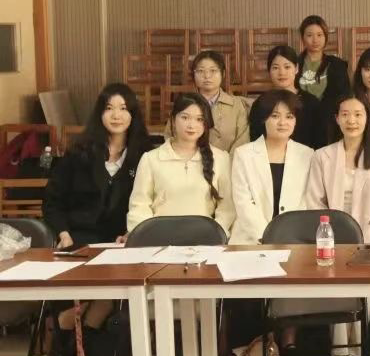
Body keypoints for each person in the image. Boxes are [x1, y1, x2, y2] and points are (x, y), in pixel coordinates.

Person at [43, 83, 149, 356]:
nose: (116, 115)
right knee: (83, 291)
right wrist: (63, 233)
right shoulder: (79, 153)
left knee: (109, 292)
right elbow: (52, 201)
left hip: (120, 239)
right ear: (99, 113)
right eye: (109, 108)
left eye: (123, 109)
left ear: (133, 114)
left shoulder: (144, 154)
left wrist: (134, 232)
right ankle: (63, 343)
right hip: (79, 237)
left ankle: (83, 345)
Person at [306, 91, 370, 356]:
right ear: (336, 119)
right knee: (334, 275)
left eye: (358, 114)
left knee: (363, 279)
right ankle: (340, 347)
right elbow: (314, 201)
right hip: (330, 236)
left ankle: (355, 345)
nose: (351, 120)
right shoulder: (322, 156)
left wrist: (364, 239)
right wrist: (332, 236)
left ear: (368, 118)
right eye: (345, 114)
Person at [127, 93, 235, 234]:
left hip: (205, 238)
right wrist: (146, 235)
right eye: (185, 117)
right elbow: (139, 205)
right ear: (173, 120)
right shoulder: (151, 159)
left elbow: (227, 208)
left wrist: (215, 234)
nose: (191, 125)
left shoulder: (220, 158)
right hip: (159, 237)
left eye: (199, 119)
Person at [230, 89, 314, 246]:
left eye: (289, 116)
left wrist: (286, 234)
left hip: (294, 238)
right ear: (264, 119)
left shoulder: (307, 154)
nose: (282, 122)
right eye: (275, 116)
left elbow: (306, 200)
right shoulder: (243, 154)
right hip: (251, 239)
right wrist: (267, 236)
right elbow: (243, 202)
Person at [250, 45, 325, 150]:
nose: (282, 73)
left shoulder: (311, 103)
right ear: (269, 70)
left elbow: (320, 142)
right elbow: (255, 140)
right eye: (275, 68)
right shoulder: (261, 103)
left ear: (296, 68)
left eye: (287, 67)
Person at [180, 50, 250, 153]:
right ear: (193, 75)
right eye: (201, 71)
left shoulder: (237, 105)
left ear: (223, 73)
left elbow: (242, 141)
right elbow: (171, 136)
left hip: (229, 161)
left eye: (213, 70)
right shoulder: (183, 104)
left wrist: (227, 161)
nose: (207, 76)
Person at [296, 15, 350, 105]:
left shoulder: (337, 64)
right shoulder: (294, 63)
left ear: (325, 37)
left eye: (319, 35)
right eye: (309, 35)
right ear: (302, 38)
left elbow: (345, 95)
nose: (315, 40)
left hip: (330, 112)